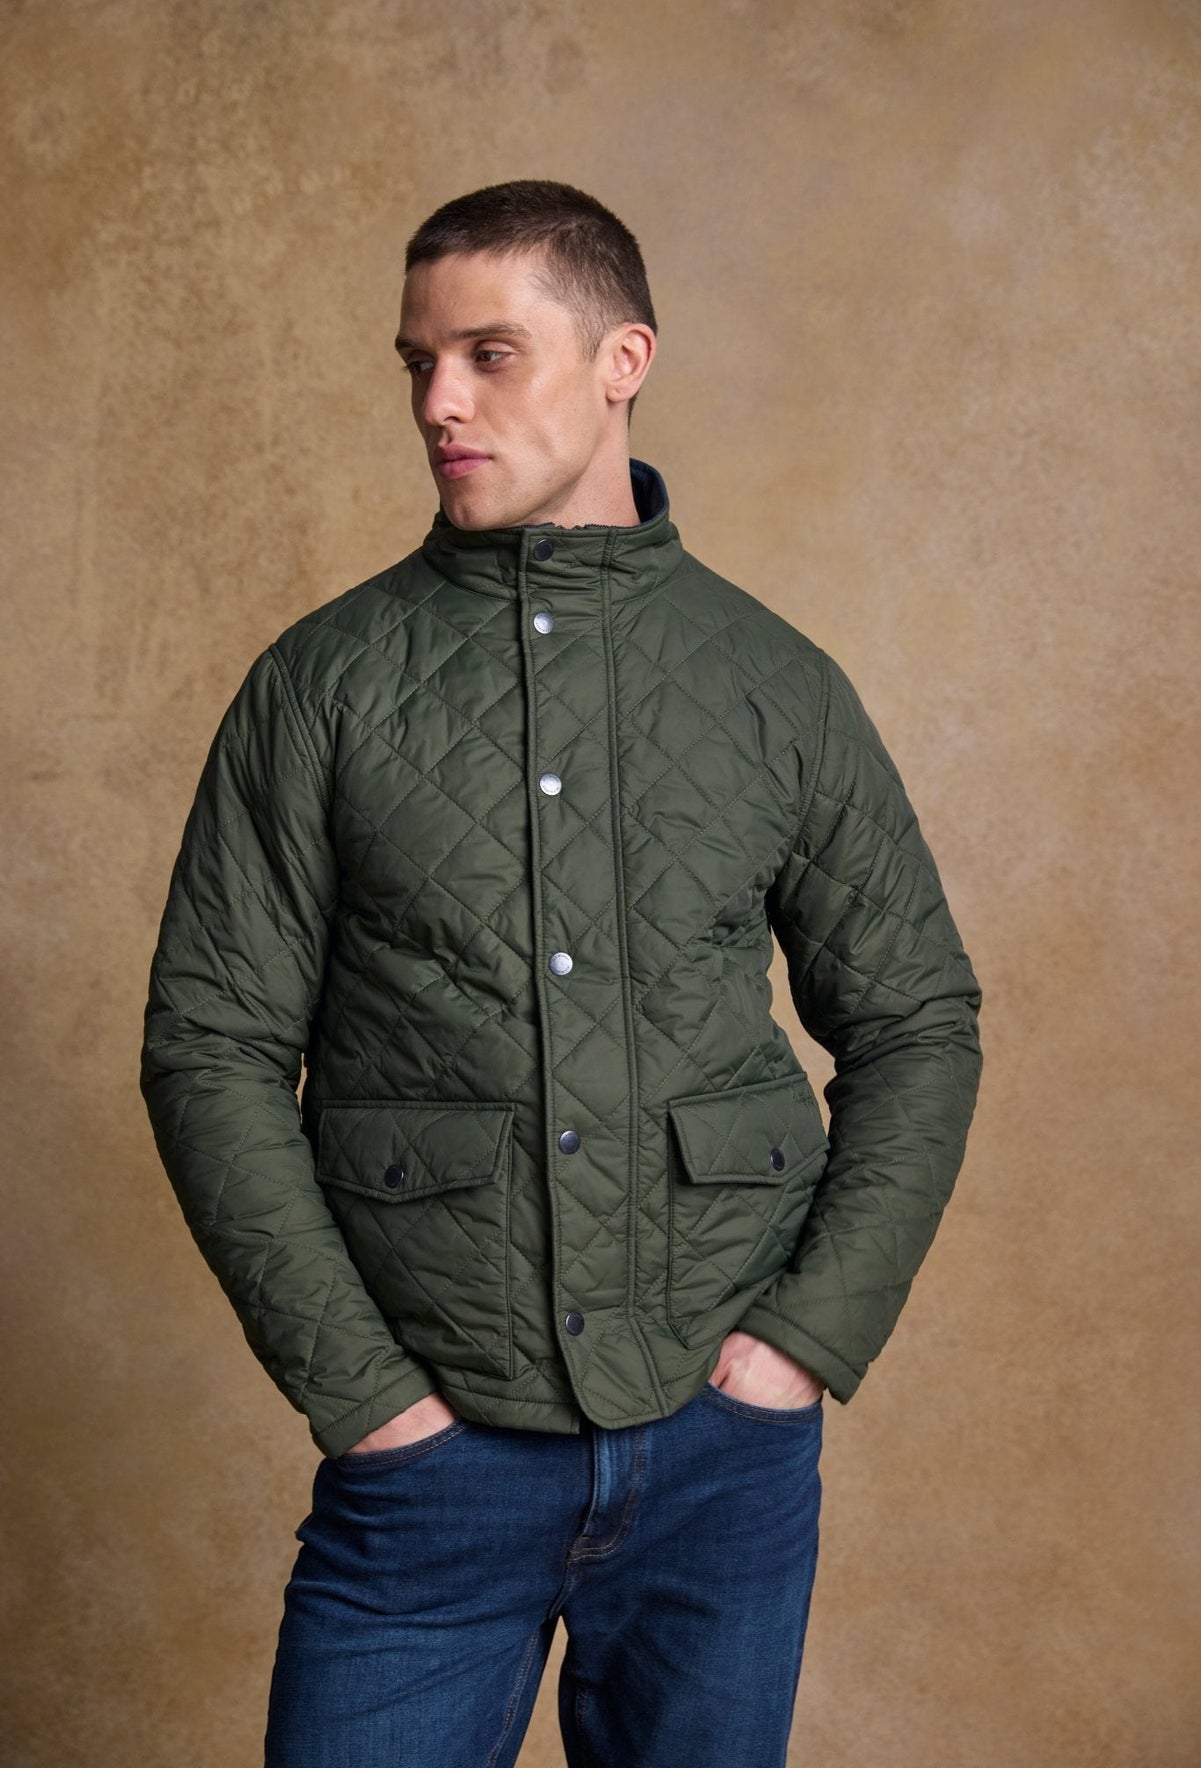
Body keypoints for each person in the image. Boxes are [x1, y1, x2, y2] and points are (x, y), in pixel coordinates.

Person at [140, 178, 983, 1768]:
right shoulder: (319, 687)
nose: (437, 403)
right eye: (418, 363)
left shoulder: (776, 685)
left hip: (722, 1458)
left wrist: (799, 1346)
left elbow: (916, 1022)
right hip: (428, 1463)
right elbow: (211, 1045)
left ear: (621, 361)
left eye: (488, 354)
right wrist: (367, 1398)